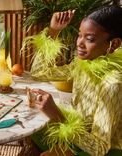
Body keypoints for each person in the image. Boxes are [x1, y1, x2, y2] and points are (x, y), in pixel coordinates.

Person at [28, 5, 122, 156]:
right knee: (31, 128)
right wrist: (53, 32)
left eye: (90, 38)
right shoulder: (83, 63)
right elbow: (38, 73)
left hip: (104, 151)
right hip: (79, 134)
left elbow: (100, 148)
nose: (79, 43)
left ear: (114, 44)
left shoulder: (113, 84)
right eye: (79, 35)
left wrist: (57, 115)